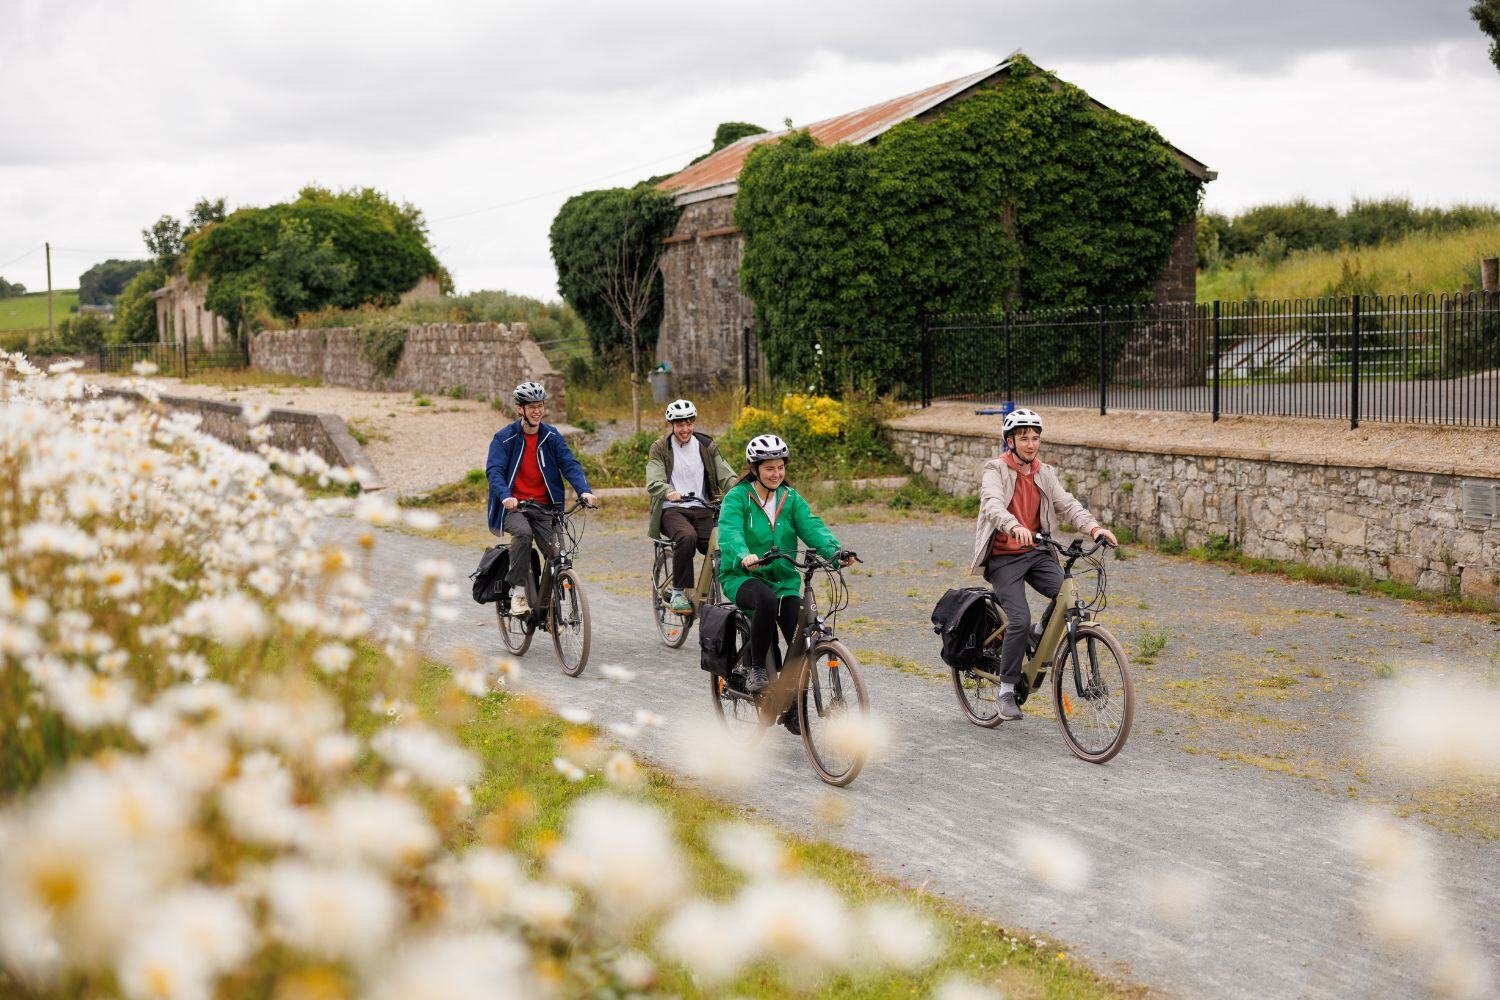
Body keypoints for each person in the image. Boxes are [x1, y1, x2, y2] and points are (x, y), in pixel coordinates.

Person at [969, 408, 1118, 721]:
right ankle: (1007, 690)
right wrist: (1013, 526)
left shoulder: (1043, 472)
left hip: (1036, 552)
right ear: (1010, 440)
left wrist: (1094, 528)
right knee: (1019, 618)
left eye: (1035, 438)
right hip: (1004, 556)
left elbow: (1067, 504)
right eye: (1024, 438)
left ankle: (1040, 632)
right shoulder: (994, 469)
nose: (1031, 444)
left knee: (1069, 596)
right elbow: (993, 505)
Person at [717, 434, 852, 732]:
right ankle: (756, 670)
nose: (776, 474)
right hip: (743, 576)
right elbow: (729, 533)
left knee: (801, 633)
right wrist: (744, 555)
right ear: (754, 469)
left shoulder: (790, 499)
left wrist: (835, 551)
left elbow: (812, 526)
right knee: (764, 600)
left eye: (780, 468)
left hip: (784, 580)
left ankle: (792, 704)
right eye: (769, 469)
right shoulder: (737, 498)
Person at [485, 381, 598, 615]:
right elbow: (494, 472)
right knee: (524, 534)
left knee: (559, 556)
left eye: (540, 405)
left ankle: (555, 606)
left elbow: (569, 464)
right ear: (520, 409)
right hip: (513, 507)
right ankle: (517, 594)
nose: (537, 411)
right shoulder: (504, 438)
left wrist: (584, 490)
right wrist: (506, 496)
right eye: (532, 406)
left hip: (546, 508)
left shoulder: (551, 436)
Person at [645, 398, 737, 612]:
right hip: (672, 509)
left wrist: (739, 490)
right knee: (687, 537)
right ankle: (678, 591)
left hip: (703, 507)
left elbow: (725, 474)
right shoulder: (660, 448)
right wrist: (668, 491)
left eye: (689, 423)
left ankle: (725, 589)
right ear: (672, 425)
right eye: (680, 425)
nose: (685, 429)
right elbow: (654, 479)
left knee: (720, 544)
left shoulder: (706, 445)